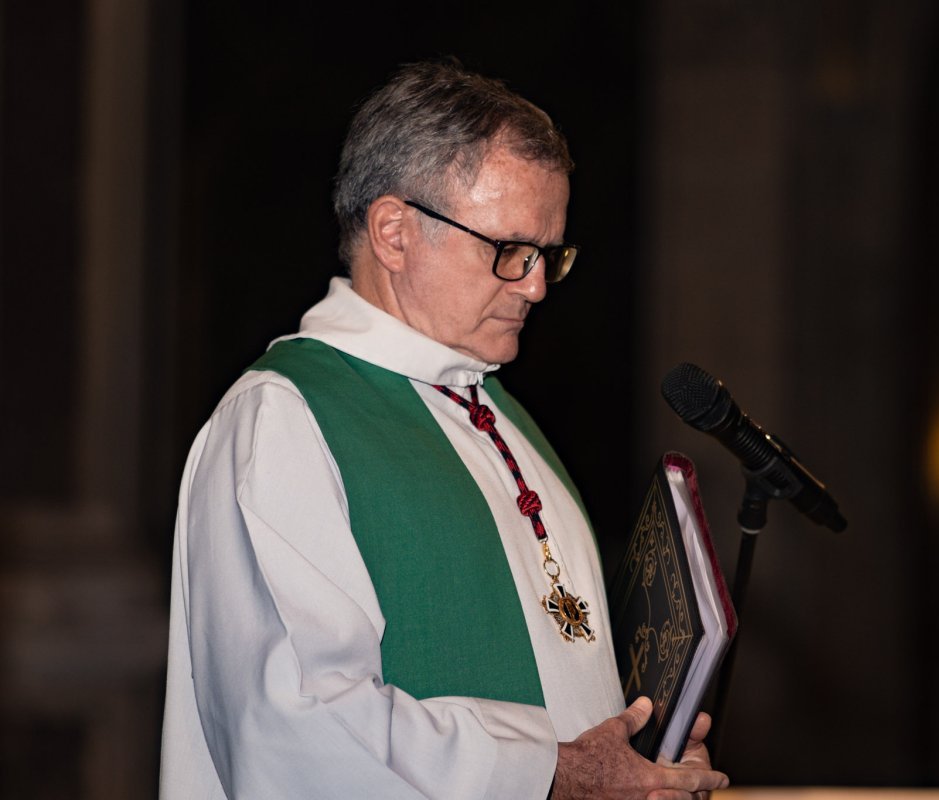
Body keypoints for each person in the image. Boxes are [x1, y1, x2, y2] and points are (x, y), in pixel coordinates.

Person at [159, 60, 730, 799]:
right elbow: (297, 727)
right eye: (509, 251)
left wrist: (641, 755)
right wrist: (553, 773)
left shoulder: (494, 411)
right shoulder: (285, 419)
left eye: (548, 255)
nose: (534, 285)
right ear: (394, 233)